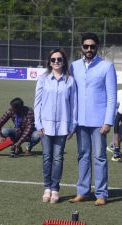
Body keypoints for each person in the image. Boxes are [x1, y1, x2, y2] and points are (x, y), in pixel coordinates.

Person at [68, 32, 117, 206]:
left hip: (99, 123)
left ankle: (101, 194)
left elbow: (112, 97)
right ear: (81, 47)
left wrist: (108, 121)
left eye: (92, 46)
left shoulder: (107, 67)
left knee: (100, 157)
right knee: (83, 156)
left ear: (97, 47)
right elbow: (71, 95)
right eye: (86, 46)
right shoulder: (73, 66)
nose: (89, 49)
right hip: (80, 122)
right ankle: (82, 191)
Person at [34, 48, 77, 204]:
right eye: (53, 60)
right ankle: (47, 187)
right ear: (49, 62)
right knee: (47, 157)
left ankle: (55, 189)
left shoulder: (70, 80)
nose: (56, 62)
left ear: (64, 61)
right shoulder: (43, 79)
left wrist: (73, 125)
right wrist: (37, 124)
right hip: (45, 125)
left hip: (63, 126)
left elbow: (74, 105)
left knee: (58, 158)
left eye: (59, 59)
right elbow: (37, 103)